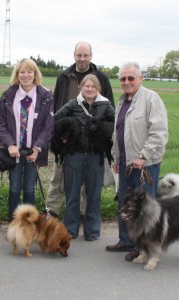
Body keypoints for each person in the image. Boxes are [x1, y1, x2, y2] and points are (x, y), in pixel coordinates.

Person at [105, 62, 168, 261]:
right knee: (125, 204)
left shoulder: (151, 99)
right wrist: (116, 158)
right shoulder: (123, 101)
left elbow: (159, 133)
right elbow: (118, 133)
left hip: (144, 166)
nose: (126, 82)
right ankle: (126, 240)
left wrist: (143, 156)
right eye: (123, 78)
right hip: (125, 164)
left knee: (144, 209)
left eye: (131, 78)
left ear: (140, 78)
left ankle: (144, 248)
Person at [46, 41, 115, 218]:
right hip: (66, 138)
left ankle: (84, 213)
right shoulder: (64, 76)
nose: (82, 59)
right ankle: (52, 211)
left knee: (88, 181)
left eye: (85, 55)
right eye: (79, 55)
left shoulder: (101, 77)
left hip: (91, 140)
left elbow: (110, 109)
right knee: (58, 176)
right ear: (74, 55)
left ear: (91, 56)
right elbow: (56, 106)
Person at [55, 74, 115, 240]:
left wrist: (106, 132)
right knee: (72, 195)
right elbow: (55, 120)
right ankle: (70, 230)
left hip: (96, 157)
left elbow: (118, 124)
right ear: (81, 87)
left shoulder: (105, 105)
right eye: (86, 86)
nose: (89, 89)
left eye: (93, 87)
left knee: (94, 196)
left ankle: (92, 231)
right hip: (75, 156)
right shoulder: (72, 105)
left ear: (98, 89)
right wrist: (65, 138)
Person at [0, 58, 54, 221]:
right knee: (14, 187)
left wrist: (37, 148)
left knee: (29, 189)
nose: (26, 75)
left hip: (33, 152)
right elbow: (0, 123)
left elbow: (48, 126)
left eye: (30, 71)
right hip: (14, 152)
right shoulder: (8, 95)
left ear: (35, 74)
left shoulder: (45, 96)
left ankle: (30, 224)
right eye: (22, 72)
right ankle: (14, 224)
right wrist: (10, 144)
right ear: (17, 74)